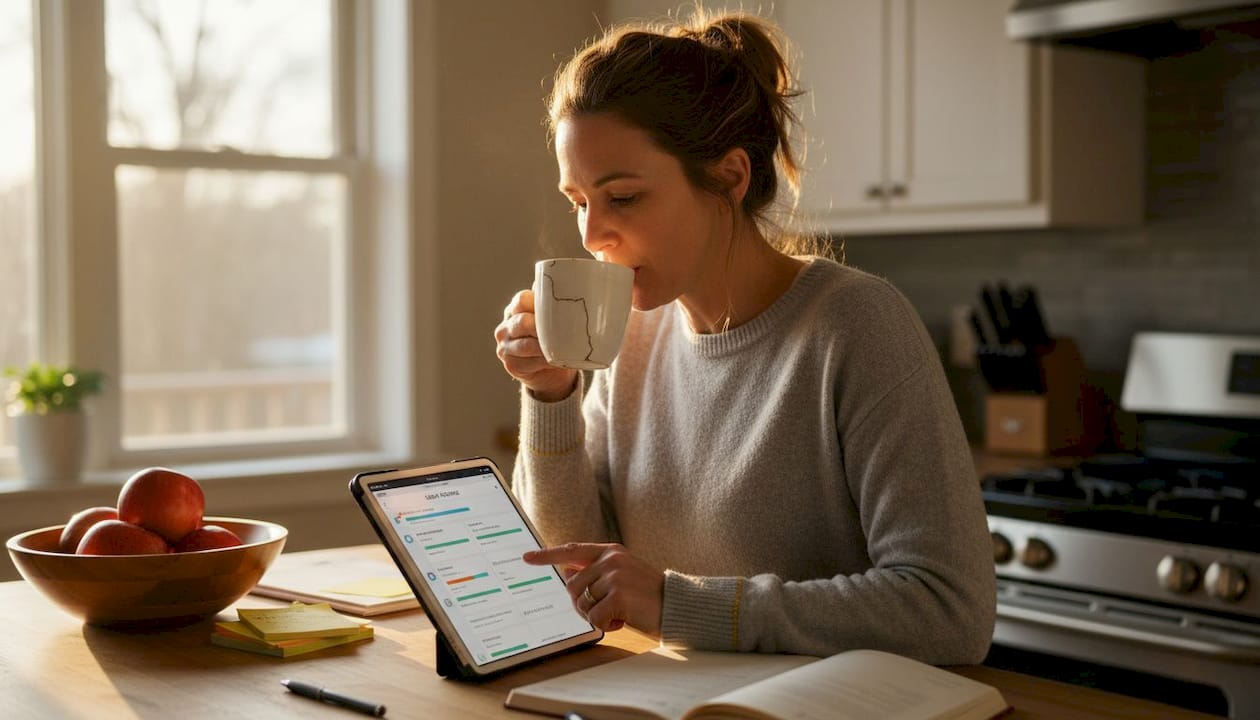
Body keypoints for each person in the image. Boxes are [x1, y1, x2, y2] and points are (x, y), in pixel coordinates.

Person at [493, 7, 995, 665]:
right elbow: (580, 575)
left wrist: (678, 605)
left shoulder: (856, 326)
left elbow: (949, 612)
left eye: (623, 197)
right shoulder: (634, 337)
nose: (592, 237)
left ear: (729, 177)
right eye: (579, 201)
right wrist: (551, 395)